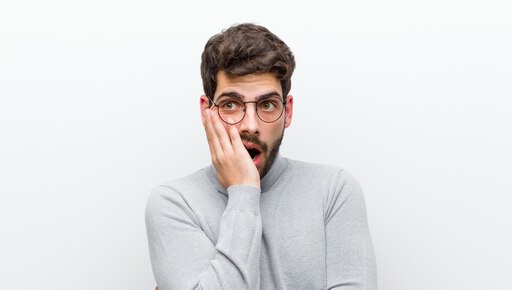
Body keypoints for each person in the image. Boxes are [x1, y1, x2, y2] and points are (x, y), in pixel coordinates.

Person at [145, 23, 377, 290]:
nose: (251, 125)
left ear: (287, 112)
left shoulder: (334, 191)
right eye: (231, 104)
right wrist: (243, 191)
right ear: (206, 112)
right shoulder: (174, 203)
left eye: (267, 105)